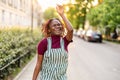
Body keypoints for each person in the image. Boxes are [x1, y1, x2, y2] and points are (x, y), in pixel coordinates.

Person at [32, 4, 73, 80]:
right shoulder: (43, 43)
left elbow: (70, 30)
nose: (58, 26)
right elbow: (38, 64)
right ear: (49, 29)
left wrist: (62, 14)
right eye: (54, 25)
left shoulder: (65, 41)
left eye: (59, 25)